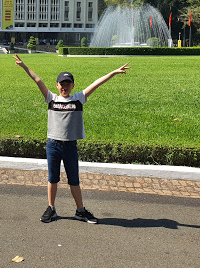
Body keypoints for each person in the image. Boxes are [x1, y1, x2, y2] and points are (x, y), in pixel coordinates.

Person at [13, 54, 130, 224]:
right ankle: (51, 208)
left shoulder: (78, 99)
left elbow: (96, 83)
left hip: (70, 146)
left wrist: (113, 72)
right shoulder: (51, 99)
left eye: (68, 84)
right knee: (53, 178)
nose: (65, 87)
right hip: (53, 144)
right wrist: (24, 66)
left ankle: (80, 211)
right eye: (62, 84)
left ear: (73, 85)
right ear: (57, 85)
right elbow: (38, 80)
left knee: (74, 179)